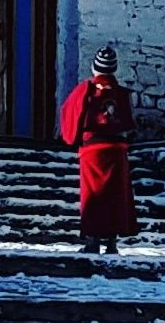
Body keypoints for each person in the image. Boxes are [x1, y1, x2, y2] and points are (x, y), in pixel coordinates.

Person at [58, 47, 137, 251]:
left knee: (93, 196)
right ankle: (111, 243)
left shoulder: (86, 89)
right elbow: (129, 124)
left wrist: (72, 138)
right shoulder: (121, 93)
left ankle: (92, 241)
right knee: (115, 196)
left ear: (94, 68)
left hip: (93, 151)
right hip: (117, 150)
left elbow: (70, 112)